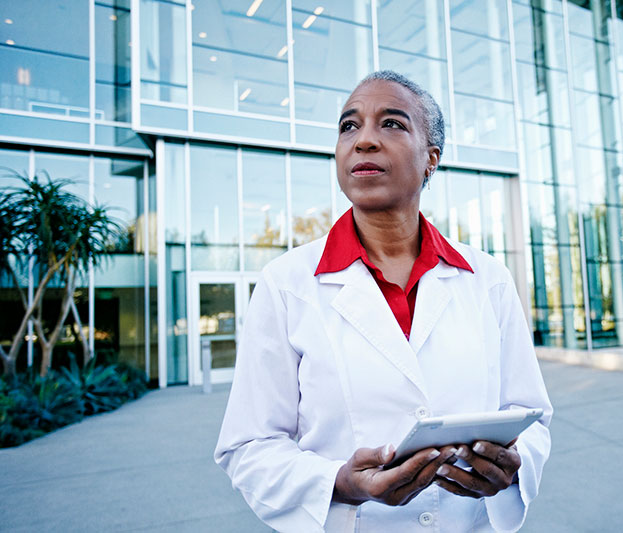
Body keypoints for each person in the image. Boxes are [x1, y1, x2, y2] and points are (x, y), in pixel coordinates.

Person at [214, 70, 552, 532]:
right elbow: (248, 446)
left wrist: (511, 464)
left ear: (431, 158)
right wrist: (339, 483)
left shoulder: (488, 279)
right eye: (348, 126)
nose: (363, 140)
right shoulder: (286, 284)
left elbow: (530, 417)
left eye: (391, 123)